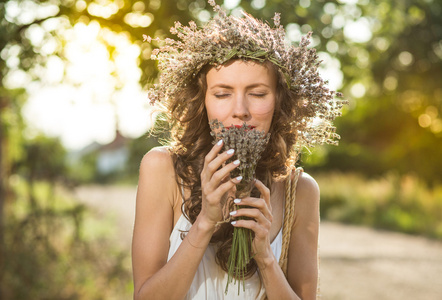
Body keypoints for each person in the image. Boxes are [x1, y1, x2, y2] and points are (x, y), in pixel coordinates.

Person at [132, 1, 346, 299]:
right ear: (202, 99)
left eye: (258, 94)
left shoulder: (301, 191)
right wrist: (205, 221)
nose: (240, 110)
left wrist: (265, 257)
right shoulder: (161, 168)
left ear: (280, 101)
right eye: (222, 93)